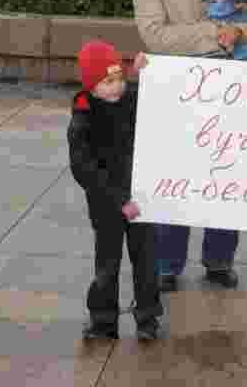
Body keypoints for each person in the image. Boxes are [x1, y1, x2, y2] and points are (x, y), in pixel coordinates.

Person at [131, 0, 243, 292]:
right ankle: (167, 262)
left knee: (225, 172)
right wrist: (214, 35)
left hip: (227, 79)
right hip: (178, 86)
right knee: (176, 175)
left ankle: (219, 258)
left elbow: (245, 3)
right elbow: (154, 35)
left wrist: (239, 31)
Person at [68, 40, 162, 341]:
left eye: (119, 79)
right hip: (108, 202)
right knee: (107, 263)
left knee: (145, 261)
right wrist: (118, 200)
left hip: (140, 199)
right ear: (91, 85)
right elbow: (84, 168)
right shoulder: (83, 116)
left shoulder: (129, 98)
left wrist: (145, 71)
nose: (116, 88)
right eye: (107, 82)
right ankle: (103, 319)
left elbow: (155, 95)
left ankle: (148, 316)